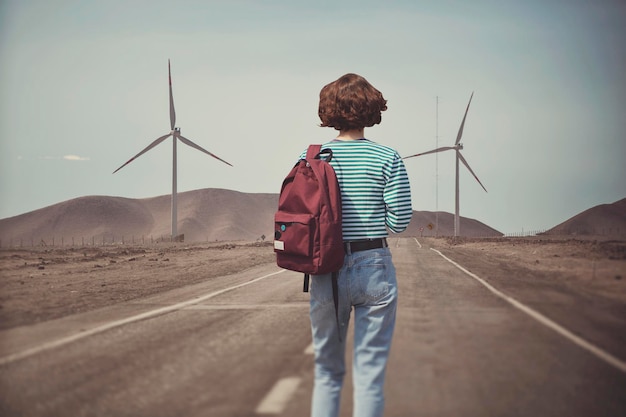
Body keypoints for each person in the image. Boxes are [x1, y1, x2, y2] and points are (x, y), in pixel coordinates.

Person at [306, 73, 412, 417]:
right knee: (369, 377)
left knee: (326, 372)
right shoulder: (388, 158)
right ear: (371, 108)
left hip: (325, 269)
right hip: (373, 266)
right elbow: (399, 222)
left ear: (329, 110)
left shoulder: (314, 158)